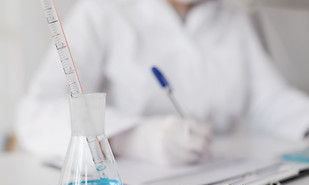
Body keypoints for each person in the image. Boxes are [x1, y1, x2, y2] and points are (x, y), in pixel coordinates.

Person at [16, 0, 309, 165]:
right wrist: (133, 137)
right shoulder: (102, 10)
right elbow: (35, 115)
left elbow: (271, 101)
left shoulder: (232, 17)